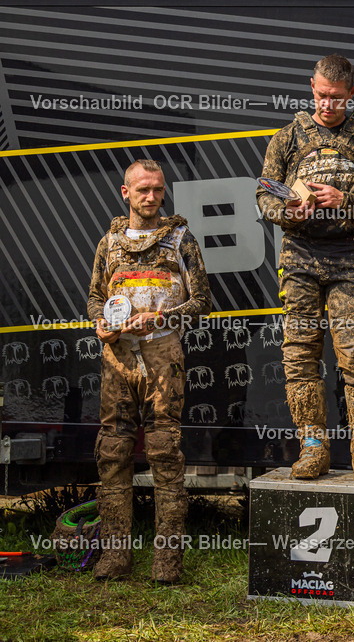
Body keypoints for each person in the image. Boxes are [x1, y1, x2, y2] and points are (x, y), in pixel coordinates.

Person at [257, 54, 354, 481]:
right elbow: (264, 196)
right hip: (297, 257)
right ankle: (313, 446)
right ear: (311, 87)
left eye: (336, 98)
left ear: (352, 94)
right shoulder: (287, 138)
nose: (327, 105)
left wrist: (346, 200)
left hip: (347, 259)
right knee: (300, 354)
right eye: (321, 96)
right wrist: (289, 212)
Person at [87, 159, 211, 583]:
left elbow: (201, 304)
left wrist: (160, 320)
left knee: (164, 453)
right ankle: (115, 557)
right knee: (113, 453)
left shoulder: (181, 239)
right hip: (118, 357)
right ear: (126, 192)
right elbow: (93, 298)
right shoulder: (109, 242)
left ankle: (167, 563)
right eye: (142, 189)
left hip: (163, 355)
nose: (151, 197)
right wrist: (100, 324)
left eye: (157, 189)